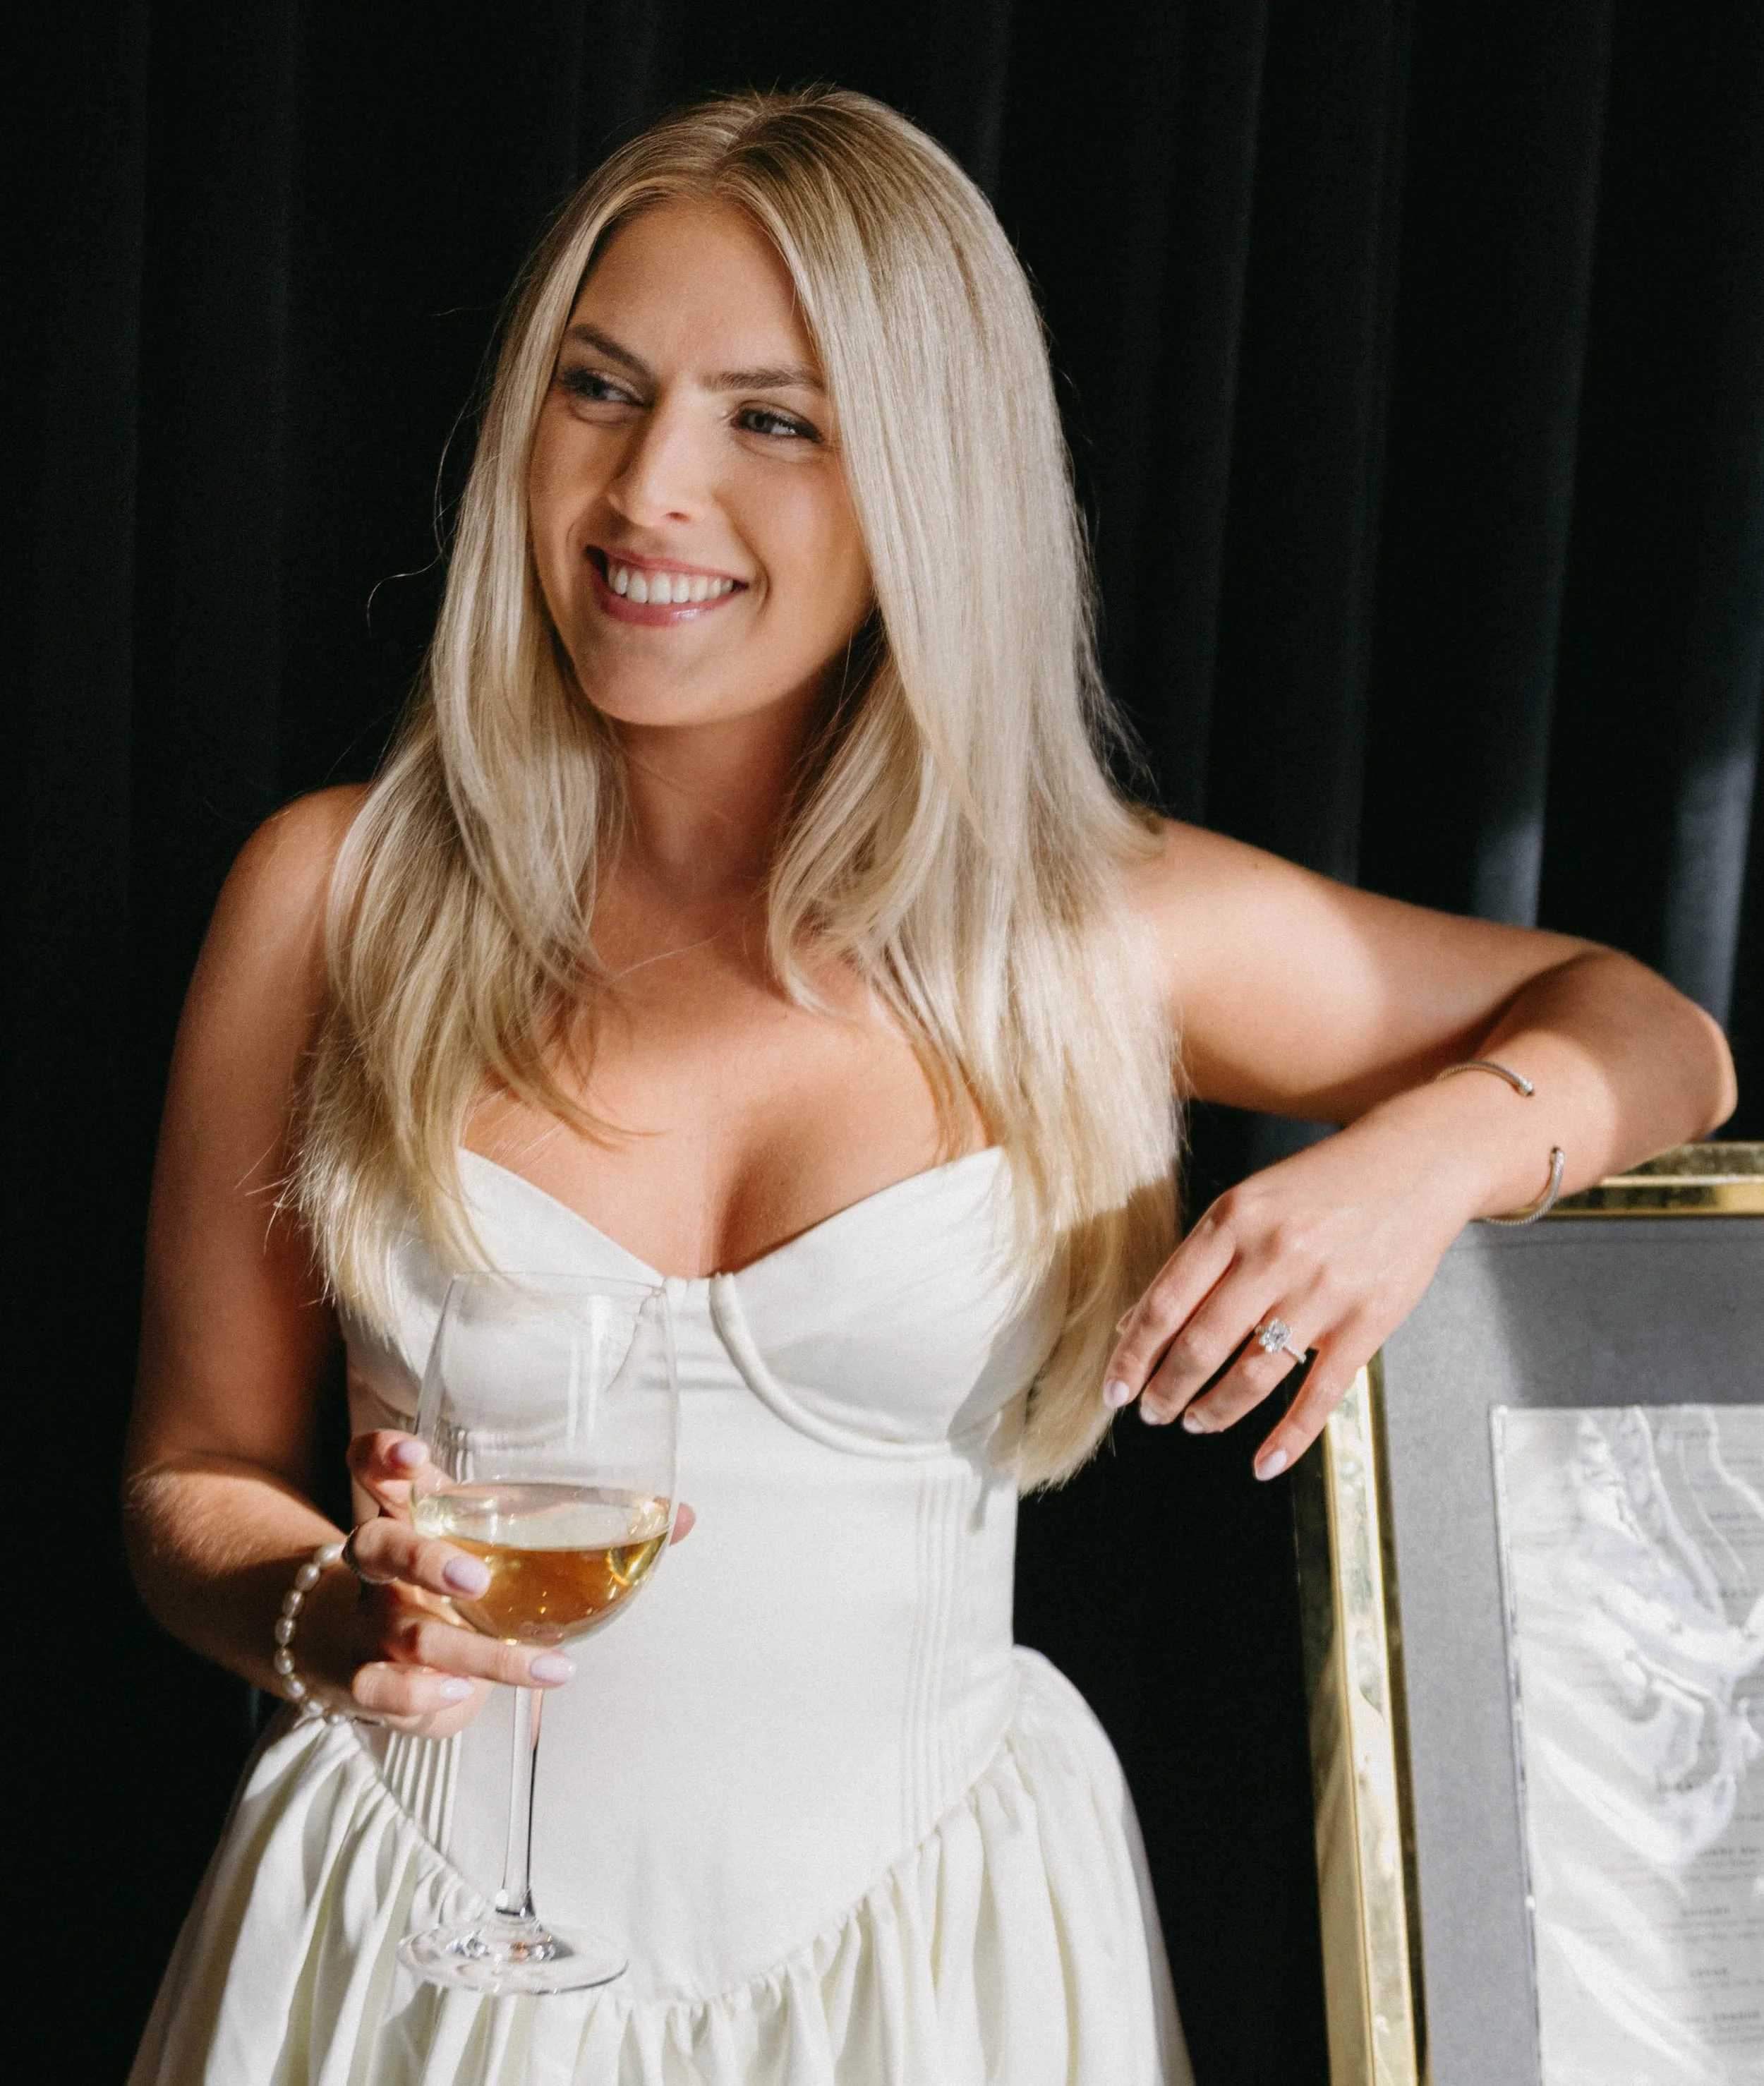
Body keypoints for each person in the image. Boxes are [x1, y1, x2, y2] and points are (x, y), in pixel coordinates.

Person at [123, 88, 1735, 2086]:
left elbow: (1657, 1031)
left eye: (770, 420)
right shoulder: (332, 898)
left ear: (925, 483)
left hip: (930, 1959)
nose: (649, 493)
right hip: (418, 1947)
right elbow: (186, 1472)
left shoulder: (1093, 926)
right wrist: (321, 1615)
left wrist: (1412, 1166)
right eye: (596, 390)